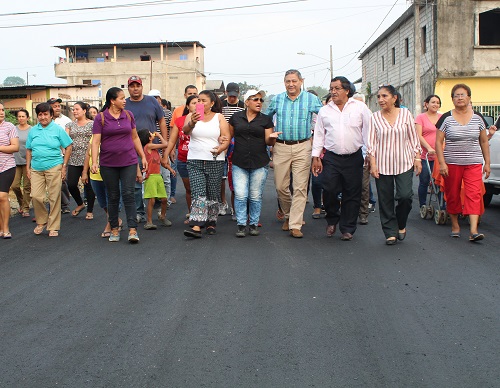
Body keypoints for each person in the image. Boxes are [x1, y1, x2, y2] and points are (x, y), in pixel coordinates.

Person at [312, 77, 371, 241]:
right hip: (331, 157)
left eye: (337, 88)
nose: (333, 91)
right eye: (331, 88)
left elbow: (368, 132)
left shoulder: (360, 108)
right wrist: (316, 156)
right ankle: (332, 219)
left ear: (347, 90)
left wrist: (369, 154)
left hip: (354, 157)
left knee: (352, 193)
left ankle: (348, 228)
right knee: (329, 189)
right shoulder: (325, 110)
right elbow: (319, 134)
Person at [266, 69, 323, 238]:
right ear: (284, 82)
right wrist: (268, 137)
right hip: (281, 147)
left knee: (299, 187)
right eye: (288, 81)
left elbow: (325, 117)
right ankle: (289, 215)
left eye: (294, 81)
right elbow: (265, 118)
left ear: (301, 81)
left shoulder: (311, 99)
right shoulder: (277, 99)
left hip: (303, 146)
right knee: (280, 186)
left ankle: (295, 224)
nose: (291, 84)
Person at [91, 87, 148, 243]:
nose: (125, 100)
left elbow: (135, 138)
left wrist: (142, 156)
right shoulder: (101, 118)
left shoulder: (128, 116)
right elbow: (96, 142)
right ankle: (114, 228)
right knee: (113, 196)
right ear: (112, 100)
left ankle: (132, 229)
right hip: (108, 163)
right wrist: (94, 161)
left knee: (129, 194)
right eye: (122, 98)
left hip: (128, 161)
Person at [367, 85, 422, 245]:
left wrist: (417, 158)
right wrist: (373, 164)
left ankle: (401, 223)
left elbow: (413, 138)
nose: (381, 100)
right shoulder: (375, 117)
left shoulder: (405, 114)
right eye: (379, 97)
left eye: (384, 96)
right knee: (385, 199)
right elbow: (371, 143)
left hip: (404, 162)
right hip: (382, 164)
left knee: (405, 196)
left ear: (394, 98)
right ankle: (390, 232)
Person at [435, 84, 490, 242]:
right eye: (456, 95)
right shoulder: (446, 118)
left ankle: (473, 231)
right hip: (452, 163)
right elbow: (438, 142)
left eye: (463, 95)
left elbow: (484, 141)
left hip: (473, 163)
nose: (460, 98)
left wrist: (487, 162)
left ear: (469, 97)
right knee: (453, 194)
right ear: (452, 99)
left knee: (474, 194)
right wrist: (442, 163)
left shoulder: (478, 118)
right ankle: (455, 225)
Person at [229, 89, 278, 237]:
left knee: (255, 195)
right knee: (240, 195)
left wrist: (273, 138)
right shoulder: (235, 118)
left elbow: (268, 140)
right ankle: (241, 225)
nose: (259, 102)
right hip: (239, 161)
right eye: (255, 99)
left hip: (259, 161)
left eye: (260, 100)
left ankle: (253, 224)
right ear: (247, 102)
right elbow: (228, 136)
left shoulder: (265, 119)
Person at [182, 90, 230, 238]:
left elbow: (226, 137)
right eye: (197, 101)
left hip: (215, 160)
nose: (200, 104)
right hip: (195, 159)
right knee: (198, 192)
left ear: (212, 103)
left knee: (213, 192)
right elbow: (185, 131)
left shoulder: (219, 117)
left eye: (203, 101)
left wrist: (221, 148)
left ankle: (211, 221)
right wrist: (192, 122)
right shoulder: (191, 116)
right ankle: (196, 224)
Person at [26, 103, 73, 237]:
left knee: (54, 197)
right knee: (36, 196)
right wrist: (28, 167)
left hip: (54, 166)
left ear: (51, 115)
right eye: (40, 114)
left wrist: (64, 166)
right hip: (36, 168)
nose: (43, 117)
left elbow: (68, 146)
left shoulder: (57, 129)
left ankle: (53, 226)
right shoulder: (33, 130)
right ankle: (42, 221)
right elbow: (29, 149)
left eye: (46, 114)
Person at [126, 76, 169, 223]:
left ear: (142, 87)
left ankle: (157, 205)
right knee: (137, 182)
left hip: (152, 149)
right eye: (132, 86)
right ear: (128, 88)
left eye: (138, 85)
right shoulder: (124, 104)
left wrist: (166, 148)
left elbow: (162, 122)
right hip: (132, 150)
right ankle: (140, 212)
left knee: (156, 178)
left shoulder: (151, 101)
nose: (135, 88)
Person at [81, 136, 122, 238]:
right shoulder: (93, 138)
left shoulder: (113, 137)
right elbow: (87, 155)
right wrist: (84, 172)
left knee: (111, 200)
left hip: (110, 174)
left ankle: (110, 225)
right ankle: (116, 220)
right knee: (102, 202)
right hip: (95, 175)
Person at [165, 95, 198, 223]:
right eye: (193, 103)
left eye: (198, 102)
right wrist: (166, 155)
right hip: (184, 159)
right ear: (188, 106)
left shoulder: (205, 120)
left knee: (199, 189)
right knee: (189, 189)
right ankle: (191, 213)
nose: (196, 105)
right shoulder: (179, 121)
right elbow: (172, 140)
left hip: (200, 159)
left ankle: (202, 215)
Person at [137, 129, 175, 229]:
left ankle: (162, 216)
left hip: (158, 176)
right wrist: (159, 135)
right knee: (152, 200)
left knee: (164, 199)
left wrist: (170, 169)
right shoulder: (148, 146)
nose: (153, 133)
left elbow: (162, 162)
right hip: (151, 177)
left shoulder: (155, 150)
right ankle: (149, 221)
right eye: (151, 133)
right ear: (149, 138)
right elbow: (166, 144)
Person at [65, 102, 95, 220]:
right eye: (73, 109)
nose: (75, 111)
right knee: (71, 184)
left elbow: (96, 140)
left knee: (89, 185)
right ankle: (80, 203)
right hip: (74, 158)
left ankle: (90, 210)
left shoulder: (92, 124)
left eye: (77, 109)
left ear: (84, 110)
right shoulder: (70, 125)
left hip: (89, 158)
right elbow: (66, 140)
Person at [220, 82, 245, 217]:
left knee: (235, 174)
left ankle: (236, 208)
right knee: (221, 176)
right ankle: (223, 203)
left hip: (236, 141)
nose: (232, 98)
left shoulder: (242, 105)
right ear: (226, 93)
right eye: (230, 96)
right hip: (222, 139)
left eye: (234, 96)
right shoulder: (220, 104)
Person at [147, 88, 177, 205]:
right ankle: (152, 201)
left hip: (165, 147)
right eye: (152, 98)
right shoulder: (147, 111)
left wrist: (171, 149)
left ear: (160, 99)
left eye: (156, 98)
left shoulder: (168, 113)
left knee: (166, 176)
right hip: (150, 148)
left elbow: (171, 132)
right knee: (150, 176)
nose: (154, 100)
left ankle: (166, 201)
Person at [415, 95, 442, 208]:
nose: (435, 104)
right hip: (425, 155)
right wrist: (428, 148)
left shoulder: (442, 117)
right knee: (424, 181)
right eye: (433, 102)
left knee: (440, 182)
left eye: (437, 102)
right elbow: (418, 135)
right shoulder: (420, 118)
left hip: (439, 156)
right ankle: (423, 205)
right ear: (426, 104)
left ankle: (442, 206)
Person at [47, 97, 72, 214]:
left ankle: (65, 204)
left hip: (61, 155)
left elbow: (68, 141)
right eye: (54, 106)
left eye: (58, 106)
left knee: (62, 180)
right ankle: (54, 205)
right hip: (48, 156)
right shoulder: (44, 121)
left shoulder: (66, 120)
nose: (57, 108)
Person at [0, 103, 19, 238]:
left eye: (2, 110)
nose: (1, 112)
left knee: (2, 196)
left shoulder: (10, 127)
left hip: (7, 165)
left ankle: (6, 228)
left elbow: (15, 147)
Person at [11, 109, 32, 218]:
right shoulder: (13, 129)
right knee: (15, 185)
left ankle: (25, 208)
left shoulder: (32, 130)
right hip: (15, 160)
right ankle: (21, 202)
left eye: (23, 116)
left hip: (28, 161)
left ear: (27, 118)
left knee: (27, 186)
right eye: (19, 116)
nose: (21, 118)